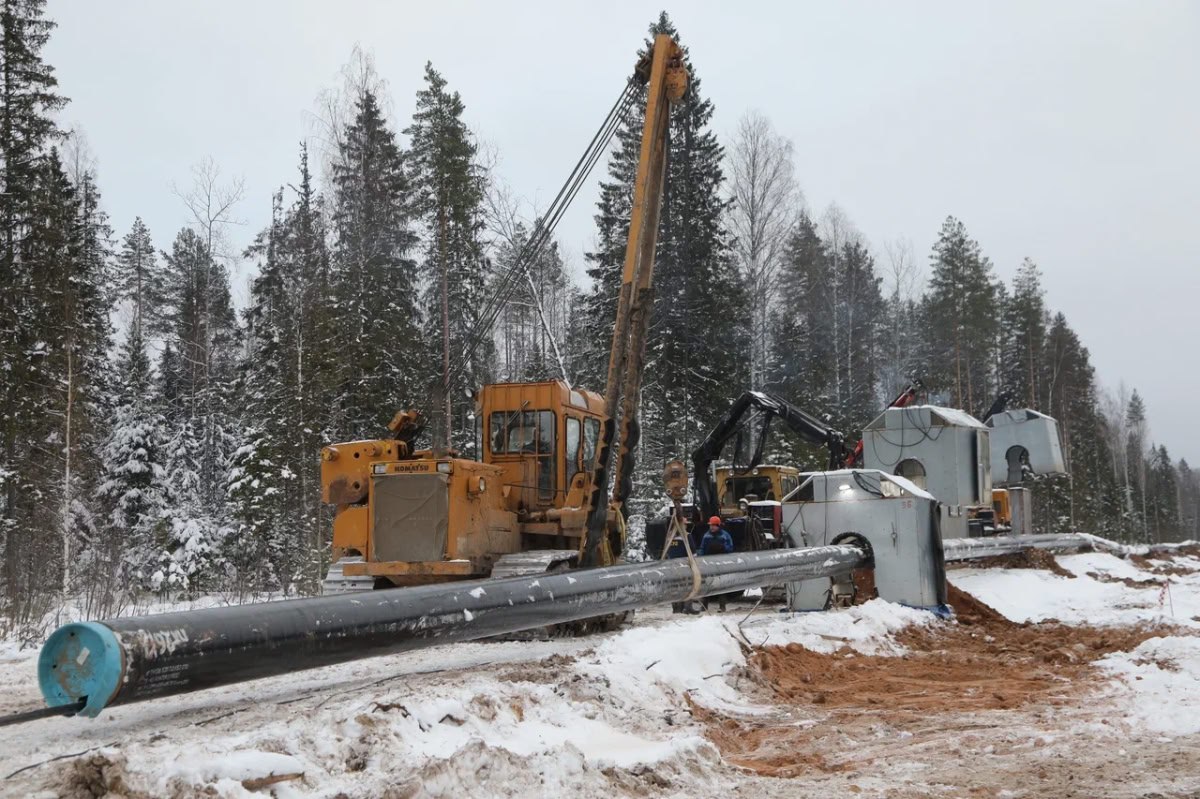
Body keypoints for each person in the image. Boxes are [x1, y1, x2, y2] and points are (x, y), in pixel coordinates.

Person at [699, 516, 734, 612]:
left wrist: (722, 548)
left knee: (721, 585)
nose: (711, 527)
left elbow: (730, 548)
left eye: (713, 526)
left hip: (721, 563)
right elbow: (702, 548)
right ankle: (704, 606)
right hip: (709, 563)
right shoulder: (706, 536)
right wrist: (701, 559)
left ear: (718, 526)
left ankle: (722, 606)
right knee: (707, 584)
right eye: (711, 525)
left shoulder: (725, 536)